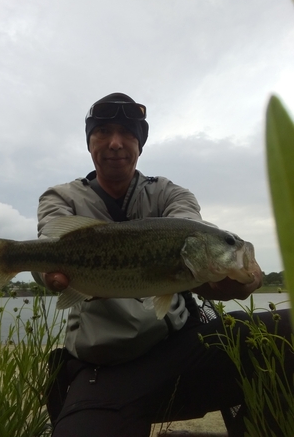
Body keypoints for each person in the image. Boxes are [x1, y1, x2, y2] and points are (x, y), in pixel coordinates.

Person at [33, 93, 292, 437]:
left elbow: (188, 230)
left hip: (185, 351)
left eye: (127, 133)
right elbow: (45, 250)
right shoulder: (62, 198)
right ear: (89, 142)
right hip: (104, 367)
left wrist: (226, 278)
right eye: (103, 132)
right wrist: (48, 275)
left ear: (140, 144)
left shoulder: (171, 193)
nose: (115, 143)